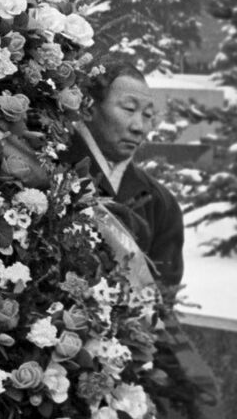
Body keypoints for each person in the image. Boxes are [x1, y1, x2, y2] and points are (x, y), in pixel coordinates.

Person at [68, 60, 184, 287]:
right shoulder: (48, 171)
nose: (139, 126)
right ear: (90, 109)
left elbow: (162, 302)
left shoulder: (161, 204)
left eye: (148, 115)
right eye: (129, 109)